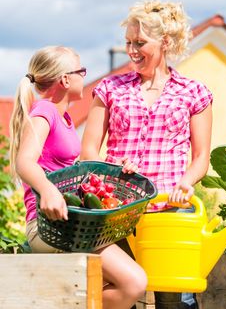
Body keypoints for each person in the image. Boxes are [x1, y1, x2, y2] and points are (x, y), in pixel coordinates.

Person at [80, 0, 213, 309]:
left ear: (165, 42)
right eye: (128, 42)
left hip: (168, 208)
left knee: (174, 299)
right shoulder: (110, 89)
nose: (132, 50)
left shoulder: (194, 92)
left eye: (140, 42)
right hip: (117, 210)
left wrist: (186, 183)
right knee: (114, 294)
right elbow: (88, 151)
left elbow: (201, 157)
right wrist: (111, 169)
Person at [9, 45, 147, 309]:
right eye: (81, 71)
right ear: (65, 79)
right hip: (50, 227)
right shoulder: (45, 112)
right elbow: (24, 162)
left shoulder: (66, 119)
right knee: (133, 283)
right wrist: (47, 190)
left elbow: (76, 169)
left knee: (117, 286)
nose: (85, 75)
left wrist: (116, 166)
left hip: (70, 225)